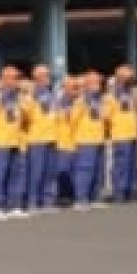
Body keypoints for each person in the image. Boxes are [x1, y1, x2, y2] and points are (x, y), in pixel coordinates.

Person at [0, 68, 29, 220]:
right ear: (3, 80)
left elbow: (26, 117)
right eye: (12, 78)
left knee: (16, 175)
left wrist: (24, 99)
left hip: (16, 142)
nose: (15, 81)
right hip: (0, 143)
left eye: (16, 78)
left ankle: (14, 205)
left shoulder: (20, 98)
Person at [71, 71, 110, 211]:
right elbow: (73, 120)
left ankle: (95, 197)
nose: (98, 85)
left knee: (99, 170)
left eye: (99, 82)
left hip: (99, 139)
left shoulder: (101, 100)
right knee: (85, 170)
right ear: (87, 84)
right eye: (94, 83)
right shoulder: (81, 101)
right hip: (85, 140)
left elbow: (106, 117)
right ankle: (81, 199)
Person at [23, 67, 58, 214]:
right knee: (36, 172)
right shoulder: (29, 96)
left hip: (51, 138)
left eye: (48, 75)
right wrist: (32, 97)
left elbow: (55, 114)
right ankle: (33, 202)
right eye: (45, 75)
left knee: (50, 172)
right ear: (36, 77)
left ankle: (47, 202)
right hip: (36, 139)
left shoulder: (51, 95)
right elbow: (24, 116)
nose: (48, 78)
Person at [107, 66, 137, 203]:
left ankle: (129, 190)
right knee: (121, 165)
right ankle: (119, 192)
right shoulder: (112, 95)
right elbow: (107, 115)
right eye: (128, 77)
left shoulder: (130, 93)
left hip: (133, 134)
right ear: (120, 77)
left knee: (132, 164)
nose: (131, 79)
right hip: (120, 134)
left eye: (131, 77)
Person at [53, 75, 82, 206]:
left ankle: (74, 196)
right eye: (73, 87)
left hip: (78, 141)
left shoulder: (80, 101)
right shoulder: (58, 102)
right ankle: (63, 196)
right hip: (63, 142)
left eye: (76, 87)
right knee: (63, 171)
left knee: (76, 171)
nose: (75, 90)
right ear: (65, 88)